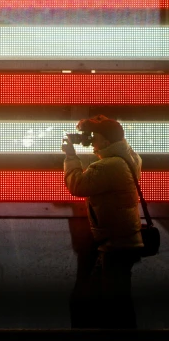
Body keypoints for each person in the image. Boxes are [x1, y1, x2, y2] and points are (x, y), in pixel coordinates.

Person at [62, 115, 143, 329]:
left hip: (116, 244)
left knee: (115, 304)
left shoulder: (109, 166)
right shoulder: (129, 158)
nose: (90, 141)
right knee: (115, 300)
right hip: (123, 242)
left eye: (94, 137)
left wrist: (71, 156)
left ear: (107, 141)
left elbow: (78, 185)